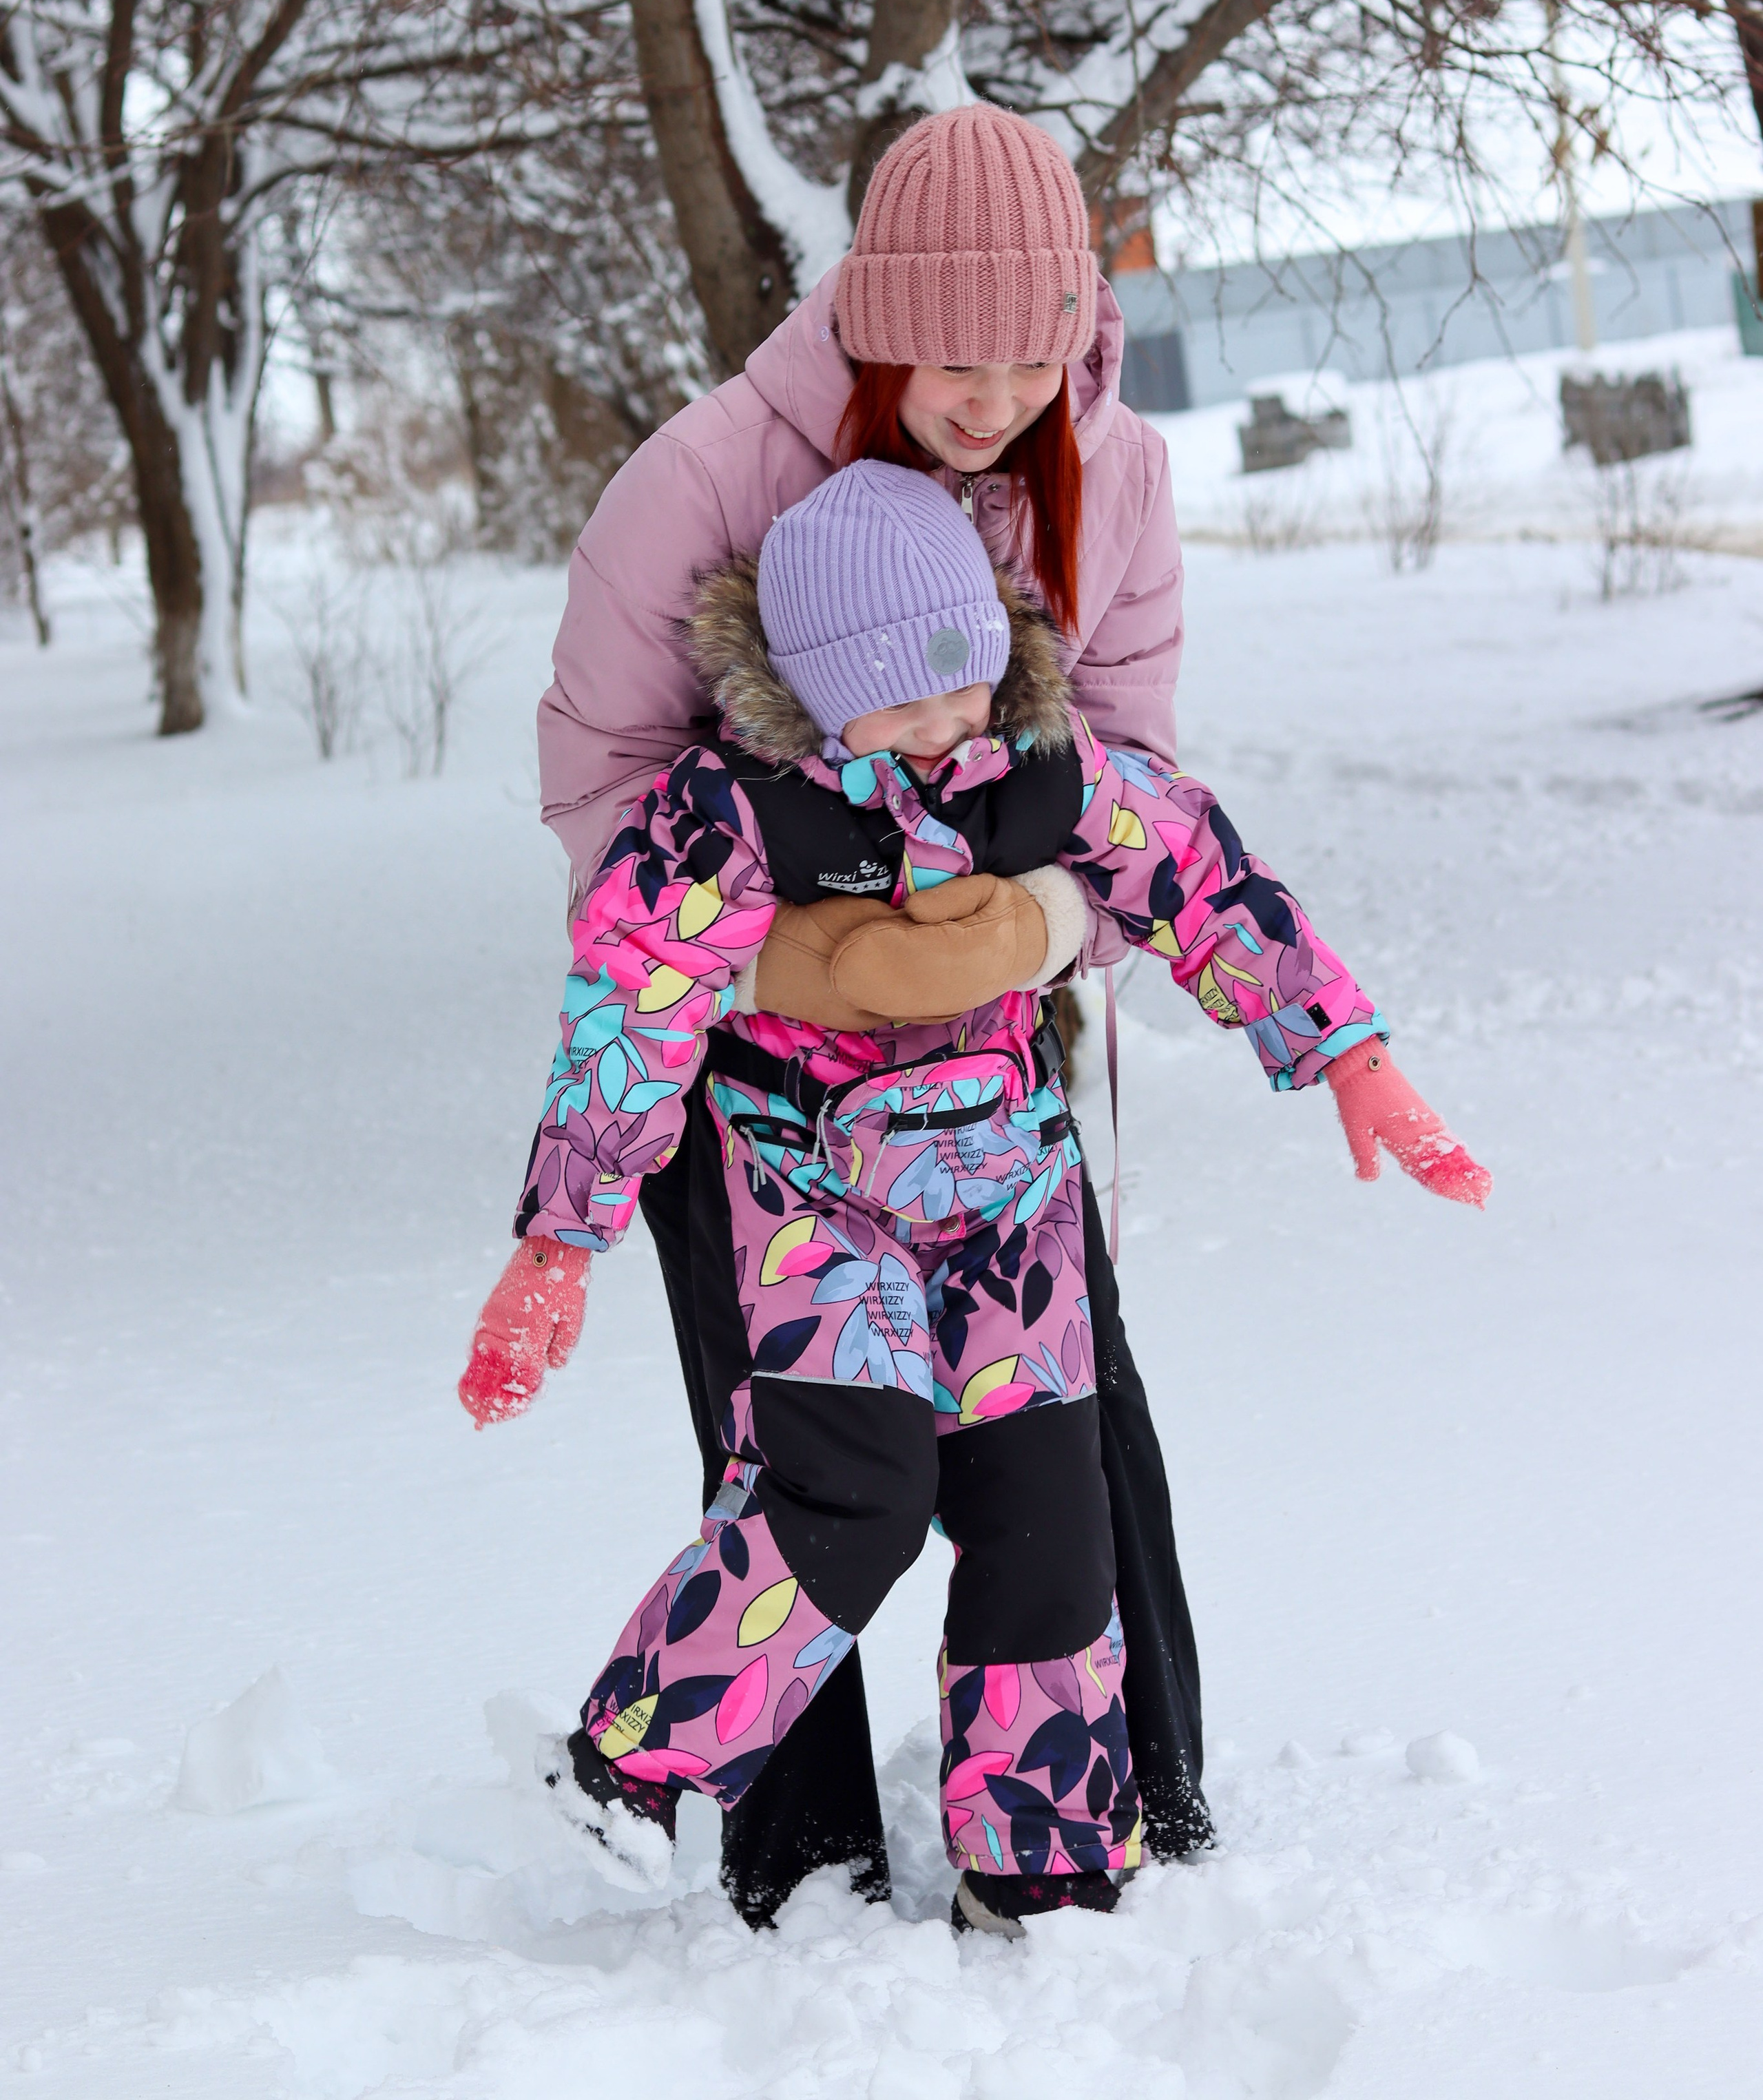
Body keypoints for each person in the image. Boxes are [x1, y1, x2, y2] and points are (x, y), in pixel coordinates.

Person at [459, 462, 1488, 1940]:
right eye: (900, 700)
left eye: (964, 681)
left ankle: (1039, 1858)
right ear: (812, 695)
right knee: (848, 1498)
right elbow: (627, 1005)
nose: (944, 726)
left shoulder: (1043, 770)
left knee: (1044, 1517)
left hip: (1007, 1201)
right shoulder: (735, 813)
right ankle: (630, 1769)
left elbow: (1202, 875)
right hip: (817, 1202)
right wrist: (556, 1244)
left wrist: (1346, 1055)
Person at [530, 105, 1213, 1927]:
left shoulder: (1114, 472)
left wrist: (1049, 919)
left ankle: (1107, 1806)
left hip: (992, 1052)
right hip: (748, 1085)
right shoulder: (703, 478)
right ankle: (796, 1848)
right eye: (950, 352)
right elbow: (601, 772)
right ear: (868, 310)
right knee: (818, 1455)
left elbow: (1139, 766)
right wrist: (779, 961)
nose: (993, 397)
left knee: (1069, 1432)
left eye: (1035, 352)